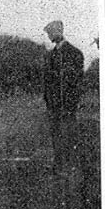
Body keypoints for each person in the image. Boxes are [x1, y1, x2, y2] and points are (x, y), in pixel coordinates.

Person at [42, 20, 84, 174]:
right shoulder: (51, 54)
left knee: (68, 136)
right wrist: (48, 100)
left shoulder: (75, 53)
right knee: (56, 136)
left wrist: (71, 102)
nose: (49, 36)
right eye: (48, 33)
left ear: (58, 32)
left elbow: (76, 80)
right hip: (53, 104)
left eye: (50, 33)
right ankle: (59, 165)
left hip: (67, 104)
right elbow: (47, 80)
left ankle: (70, 167)